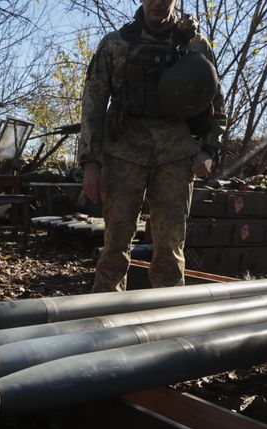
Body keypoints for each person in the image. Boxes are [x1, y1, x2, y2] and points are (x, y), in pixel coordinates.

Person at [79, 0, 227, 291]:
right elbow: (93, 105)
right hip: (123, 153)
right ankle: (103, 322)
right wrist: (90, 162)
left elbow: (216, 104)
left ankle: (166, 325)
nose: (159, 2)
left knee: (170, 251)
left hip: (176, 156)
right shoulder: (116, 44)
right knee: (115, 246)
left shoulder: (196, 46)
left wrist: (209, 149)